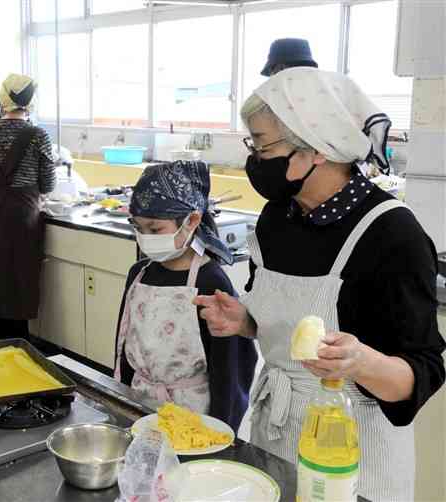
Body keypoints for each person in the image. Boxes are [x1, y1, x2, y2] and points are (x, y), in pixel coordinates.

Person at [194, 67, 444, 501]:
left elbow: (424, 371)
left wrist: (360, 362)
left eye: (263, 145)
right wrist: (247, 322)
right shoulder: (277, 218)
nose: (253, 159)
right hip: (277, 433)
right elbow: (284, 326)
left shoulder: (390, 235)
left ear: (318, 150)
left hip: (356, 454)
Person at [113, 162, 257, 432]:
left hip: (194, 419)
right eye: (138, 228)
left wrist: (222, 434)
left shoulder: (210, 281)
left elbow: (230, 372)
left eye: (155, 230)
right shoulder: (139, 274)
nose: (145, 238)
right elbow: (123, 348)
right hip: (139, 408)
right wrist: (120, 399)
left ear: (192, 220)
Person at [0, 73, 56, 340]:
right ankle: (17, 341)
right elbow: (47, 184)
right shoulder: (37, 135)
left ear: (1, 98)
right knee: (19, 279)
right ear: (30, 103)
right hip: (22, 216)